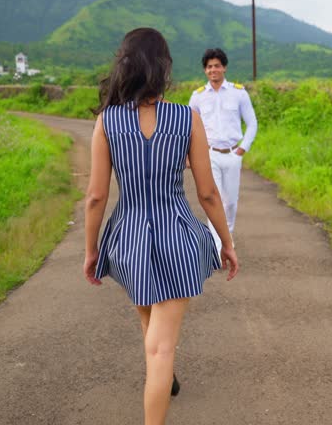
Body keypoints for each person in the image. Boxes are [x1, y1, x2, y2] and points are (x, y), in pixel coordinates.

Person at [82, 28, 239, 425]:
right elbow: (208, 194)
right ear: (164, 67)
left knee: (151, 327)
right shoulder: (187, 118)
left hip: (128, 239)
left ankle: (163, 378)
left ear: (125, 65)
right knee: (161, 347)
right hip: (178, 236)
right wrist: (227, 242)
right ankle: (162, 378)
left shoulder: (107, 121)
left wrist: (91, 250)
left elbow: (96, 197)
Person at [187, 48, 258, 250]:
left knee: (230, 202)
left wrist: (242, 149)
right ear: (205, 70)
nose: (213, 70)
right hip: (209, 154)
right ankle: (218, 247)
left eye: (217, 66)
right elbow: (189, 126)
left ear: (224, 67)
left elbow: (252, 123)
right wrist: (189, 154)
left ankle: (227, 239)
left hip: (232, 154)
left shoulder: (239, 93)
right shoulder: (198, 96)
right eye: (209, 67)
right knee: (213, 198)